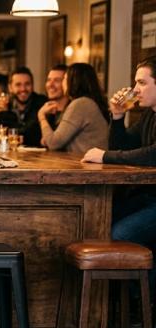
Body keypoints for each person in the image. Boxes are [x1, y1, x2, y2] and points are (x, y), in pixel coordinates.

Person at [82, 56, 156, 298]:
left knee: (117, 237)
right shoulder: (149, 115)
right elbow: (125, 145)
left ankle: (138, 305)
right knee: (96, 224)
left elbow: (151, 155)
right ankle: (125, 311)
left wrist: (104, 157)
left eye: (142, 83)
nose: (135, 89)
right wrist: (116, 116)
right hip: (146, 198)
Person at [37, 63, 109, 154]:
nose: (63, 83)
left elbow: (53, 143)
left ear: (73, 81)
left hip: (87, 166)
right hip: (86, 164)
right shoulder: (87, 102)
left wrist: (41, 116)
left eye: (64, 79)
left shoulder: (81, 104)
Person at [0, 66, 48, 147]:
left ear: (32, 85)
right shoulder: (4, 103)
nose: (23, 89)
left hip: (36, 157)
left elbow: (30, 136)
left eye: (27, 84)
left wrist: (5, 114)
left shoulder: (42, 103)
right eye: (18, 85)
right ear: (10, 87)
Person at [42, 64, 69, 129]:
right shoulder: (47, 111)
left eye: (57, 80)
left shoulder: (72, 112)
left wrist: (41, 116)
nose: (50, 85)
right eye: (48, 80)